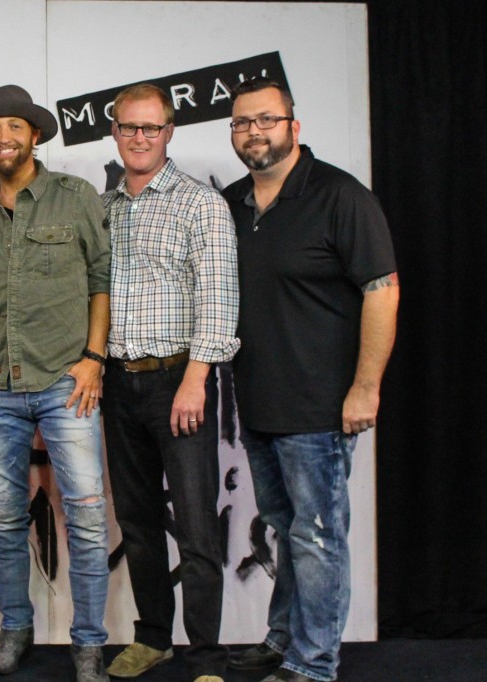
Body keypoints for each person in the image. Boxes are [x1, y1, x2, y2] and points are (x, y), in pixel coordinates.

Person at [222, 77, 399, 682]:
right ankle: (284, 639)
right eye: (243, 123)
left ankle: (314, 662)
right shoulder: (236, 203)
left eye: (266, 120)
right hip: (260, 402)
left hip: (321, 407)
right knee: (286, 530)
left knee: (318, 538)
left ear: (294, 127)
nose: (254, 132)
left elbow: (383, 292)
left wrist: (365, 387)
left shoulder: (340, 196)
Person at [0, 84, 112, 682]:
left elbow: (101, 279)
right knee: (6, 516)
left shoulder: (75, 198)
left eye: (14, 127)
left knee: (88, 517)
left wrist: (94, 357)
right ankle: (14, 630)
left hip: (65, 383)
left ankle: (90, 643)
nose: (4, 138)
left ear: (35, 135)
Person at [100, 83, 238, 682]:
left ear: (169, 133)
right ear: (114, 133)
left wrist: (196, 380)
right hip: (115, 381)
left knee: (197, 526)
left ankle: (205, 654)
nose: (139, 138)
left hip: (178, 380)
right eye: (129, 128)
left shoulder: (200, 204)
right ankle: (153, 637)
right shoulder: (104, 208)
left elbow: (220, 299)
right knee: (135, 522)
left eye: (150, 129)